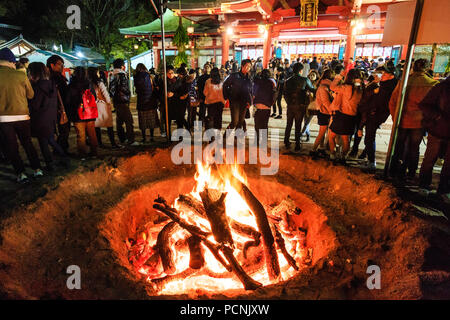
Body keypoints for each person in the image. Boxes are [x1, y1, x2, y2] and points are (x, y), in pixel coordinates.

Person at [389, 59, 439, 180]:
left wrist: (395, 117)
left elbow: (393, 102)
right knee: (414, 147)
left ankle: (395, 169)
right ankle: (411, 171)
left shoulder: (404, 81)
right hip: (419, 122)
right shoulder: (432, 84)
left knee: (399, 146)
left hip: (402, 119)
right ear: (427, 68)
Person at [0, 48, 43, 182]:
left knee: (11, 147)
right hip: (23, 116)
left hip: (4, 118)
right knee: (27, 143)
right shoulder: (20, 75)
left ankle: (21, 173)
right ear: (11, 62)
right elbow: (31, 95)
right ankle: (37, 169)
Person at [357, 63, 398, 171]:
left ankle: (371, 162)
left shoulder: (386, 88)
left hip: (375, 114)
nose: (382, 75)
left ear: (391, 76)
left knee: (369, 138)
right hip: (375, 114)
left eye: (385, 74)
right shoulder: (386, 85)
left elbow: (377, 102)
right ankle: (369, 158)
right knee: (369, 138)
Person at [28, 62, 68, 171]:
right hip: (50, 117)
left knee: (44, 143)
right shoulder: (51, 84)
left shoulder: (36, 87)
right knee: (50, 140)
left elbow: (35, 105)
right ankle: (64, 158)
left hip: (40, 119)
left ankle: (50, 164)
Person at [418, 76, 450, 200]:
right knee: (430, 159)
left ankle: (444, 189)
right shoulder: (442, 87)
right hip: (438, 130)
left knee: (449, 164)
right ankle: (424, 185)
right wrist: (438, 117)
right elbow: (424, 105)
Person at [328, 68, 364, 164]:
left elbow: (332, 87)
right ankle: (343, 157)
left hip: (341, 116)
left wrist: (339, 76)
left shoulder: (346, 87)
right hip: (352, 117)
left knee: (331, 136)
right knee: (346, 139)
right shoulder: (360, 89)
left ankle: (333, 154)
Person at [65, 67, 98, 158]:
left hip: (77, 114)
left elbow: (67, 101)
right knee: (92, 134)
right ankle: (94, 153)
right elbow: (94, 98)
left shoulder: (71, 85)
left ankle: (82, 154)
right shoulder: (89, 84)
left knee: (81, 135)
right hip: (90, 113)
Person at [283, 62, 315, 152]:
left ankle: (286, 141)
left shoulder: (288, 80)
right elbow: (312, 89)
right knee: (298, 125)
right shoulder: (304, 80)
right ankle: (297, 144)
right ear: (301, 71)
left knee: (288, 124)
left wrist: (288, 102)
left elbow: (284, 93)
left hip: (290, 105)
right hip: (300, 105)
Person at [109, 58, 138, 146]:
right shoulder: (121, 75)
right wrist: (128, 93)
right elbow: (124, 88)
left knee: (119, 121)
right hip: (122, 100)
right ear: (122, 66)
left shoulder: (112, 74)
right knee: (129, 121)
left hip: (116, 101)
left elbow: (111, 89)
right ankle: (131, 140)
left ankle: (122, 139)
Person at [88, 67, 118, 148]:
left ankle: (99, 143)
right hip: (103, 106)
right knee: (109, 125)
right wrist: (109, 103)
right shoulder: (99, 83)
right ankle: (113, 143)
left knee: (97, 126)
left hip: (94, 106)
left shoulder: (89, 83)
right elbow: (105, 94)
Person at [47, 55, 70, 155]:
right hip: (60, 108)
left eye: (62, 65)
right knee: (64, 130)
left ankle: (60, 149)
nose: (62, 67)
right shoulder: (54, 78)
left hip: (57, 108)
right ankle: (60, 150)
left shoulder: (50, 77)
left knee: (62, 131)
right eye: (59, 65)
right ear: (52, 65)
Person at [223, 59, 253, 133]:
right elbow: (225, 85)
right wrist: (226, 96)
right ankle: (226, 135)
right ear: (242, 66)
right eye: (247, 66)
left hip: (244, 102)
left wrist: (250, 101)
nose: (248, 68)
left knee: (240, 121)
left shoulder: (249, 78)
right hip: (234, 101)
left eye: (249, 67)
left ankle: (237, 137)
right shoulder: (234, 75)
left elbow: (251, 91)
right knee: (235, 121)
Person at [310, 69, 334, 158]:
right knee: (322, 132)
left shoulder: (322, 86)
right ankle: (313, 149)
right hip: (325, 112)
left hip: (323, 111)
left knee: (323, 132)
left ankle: (321, 148)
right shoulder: (324, 87)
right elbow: (325, 102)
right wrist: (332, 111)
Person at [134, 63, 159, 143]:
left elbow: (137, 90)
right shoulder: (149, 76)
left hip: (141, 102)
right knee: (151, 121)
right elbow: (154, 87)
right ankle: (151, 137)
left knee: (143, 121)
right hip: (150, 101)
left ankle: (144, 138)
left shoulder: (136, 77)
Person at [253, 69, 277, 145]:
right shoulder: (271, 83)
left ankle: (256, 140)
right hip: (267, 106)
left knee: (257, 124)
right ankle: (263, 142)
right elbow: (274, 94)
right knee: (264, 124)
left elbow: (253, 93)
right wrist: (271, 103)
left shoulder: (257, 82)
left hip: (257, 106)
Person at [301, 69, 320, 142]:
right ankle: (308, 134)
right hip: (305, 104)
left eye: (313, 75)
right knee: (305, 120)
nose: (311, 76)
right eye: (310, 75)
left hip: (312, 105)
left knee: (307, 121)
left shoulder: (317, 85)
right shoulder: (306, 83)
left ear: (316, 77)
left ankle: (301, 134)